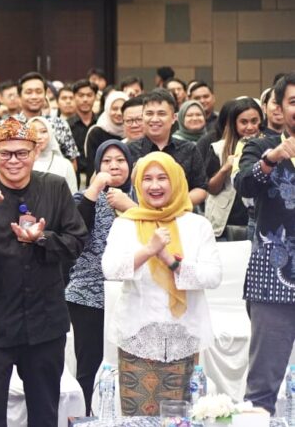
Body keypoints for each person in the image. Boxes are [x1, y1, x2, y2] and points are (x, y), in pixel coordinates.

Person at [0, 117, 87, 427]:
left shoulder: (55, 187)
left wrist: (42, 239)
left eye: (21, 153)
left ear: (35, 152)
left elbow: (77, 242)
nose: (13, 161)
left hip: (45, 320)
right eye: (5, 153)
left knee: (44, 411)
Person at [102, 152, 221, 416]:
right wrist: (148, 251)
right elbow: (110, 269)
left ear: (177, 181)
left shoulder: (197, 225)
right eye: (147, 179)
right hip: (138, 336)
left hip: (184, 335)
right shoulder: (125, 224)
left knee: (182, 417)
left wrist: (171, 260)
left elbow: (213, 276)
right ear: (138, 185)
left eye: (162, 178)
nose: (154, 186)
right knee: (139, 419)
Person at [236, 73, 295, 415]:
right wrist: (272, 159)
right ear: (278, 107)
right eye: (293, 101)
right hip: (274, 277)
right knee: (262, 388)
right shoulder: (259, 146)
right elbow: (243, 185)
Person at [66, 140, 135, 414]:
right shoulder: (82, 198)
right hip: (88, 293)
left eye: (120, 160)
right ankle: (85, 417)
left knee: (129, 363)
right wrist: (94, 190)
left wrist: (130, 205)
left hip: (132, 293)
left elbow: (156, 230)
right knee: (90, 363)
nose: (114, 166)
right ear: (96, 167)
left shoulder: (142, 198)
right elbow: (74, 233)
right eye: (106, 161)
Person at [127, 89, 210, 205]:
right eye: (149, 114)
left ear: (174, 118)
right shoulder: (128, 150)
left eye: (161, 114)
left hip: (180, 217)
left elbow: (201, 188)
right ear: (142, 117)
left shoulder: (189, 149)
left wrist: (175, 206)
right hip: (138, 217)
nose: (155, 119)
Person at [204, 98, 262, 241]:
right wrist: (225, 168)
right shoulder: (218, 148)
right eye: (244, 122)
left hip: (260, 222)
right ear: (234, 124)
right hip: (225, 225)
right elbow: (211, 188)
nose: (250, 127)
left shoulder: (269, 148)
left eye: (254, 121)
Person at [26, 117, 78, 193]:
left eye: (43, 131)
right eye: (34, 132)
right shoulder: (22, 163)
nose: (39, 137)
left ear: (50, 133)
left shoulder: (65, 165)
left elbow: (73, 197)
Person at [84, 91, 127, 173]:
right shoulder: (96, 133)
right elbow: (92, 167)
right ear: (107, 109)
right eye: (114, 109)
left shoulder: (132, 131)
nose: (119, 113)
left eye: (122, 109)